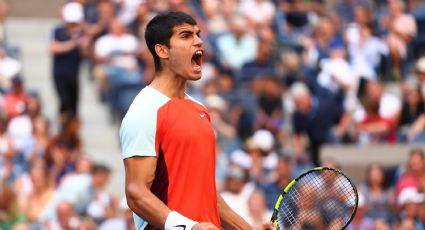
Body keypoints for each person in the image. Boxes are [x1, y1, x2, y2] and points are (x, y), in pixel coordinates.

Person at [120, 11, 273, 230]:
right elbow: (136, 194)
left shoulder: (200, 109)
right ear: (162, 50)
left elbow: (205, 192)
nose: (199, 41)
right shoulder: (144, 111)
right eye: (186, 36)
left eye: (198, 34)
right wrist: (188, 227)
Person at [48, 2, 89, 120]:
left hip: (74, 75)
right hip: (60, 74)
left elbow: (85, 54)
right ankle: (64, 128)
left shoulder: (81, 34)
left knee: (74, 106)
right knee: (64, 102)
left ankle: (72, 131)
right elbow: (53, 48)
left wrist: (84, 44)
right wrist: (73, 43)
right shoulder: (57, 31)